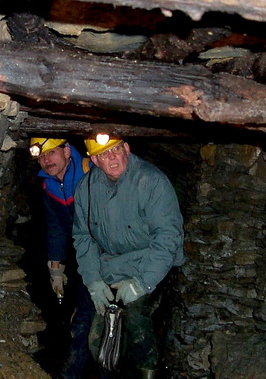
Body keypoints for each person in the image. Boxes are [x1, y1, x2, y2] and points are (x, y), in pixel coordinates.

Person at [72, 134, 185, 379]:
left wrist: (142, 283)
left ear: (126, 148)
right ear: (94, 160)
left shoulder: (152, 181)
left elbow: (167, 238)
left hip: (151, 262)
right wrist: (93, 282)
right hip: (111, 265)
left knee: (136, 320)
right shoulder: (86, 188)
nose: (111, 158)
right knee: (97, 335)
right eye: (103, 154)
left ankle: (148, 371)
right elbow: (83, 238)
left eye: (115, 150)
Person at [30, 137, 95, 379]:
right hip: (86, 258)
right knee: (83, 317)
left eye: (52, 153)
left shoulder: (92, 173)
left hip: (110, 256)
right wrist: (55, 266)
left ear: (67, 152)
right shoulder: (49, 186)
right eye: (42, 156)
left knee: (103, 320)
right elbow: (57, 226)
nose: (46, 160)